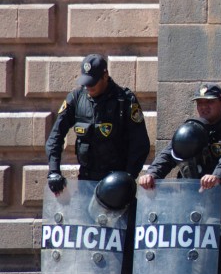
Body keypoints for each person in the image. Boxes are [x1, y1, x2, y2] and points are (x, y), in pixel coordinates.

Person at [45, 54, 150, 194]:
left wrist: (128, 178)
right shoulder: (76, 98)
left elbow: (140, 144)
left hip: (116, 183)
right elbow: (55, 137)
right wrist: (54, 171)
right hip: (86, 182)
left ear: (105, 76)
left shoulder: (124, 100)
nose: (88, 87)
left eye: (92, 82)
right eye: (86, 82)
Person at [137, 83, 221, 190]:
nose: (204, 107)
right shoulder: (191, 128)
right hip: (190, 192)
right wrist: (152, 174)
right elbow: (168, 154)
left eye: (210, 102)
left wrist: (217, 176)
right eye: (200, 103)